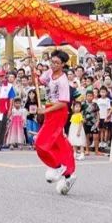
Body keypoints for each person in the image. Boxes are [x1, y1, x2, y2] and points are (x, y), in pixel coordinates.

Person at [36, 50, 76, 194]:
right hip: (49, 110)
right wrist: (35, 70)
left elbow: (63, 103)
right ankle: (69, 174)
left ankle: (57, 166)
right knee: (59, 143)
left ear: (63, 64)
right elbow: (40, 81)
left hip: (58, 112)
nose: (53, 65)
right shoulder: (49, 72)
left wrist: (45, 111)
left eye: (57, 63)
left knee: (41, 143)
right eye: (52, 62)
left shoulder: (63, 81)